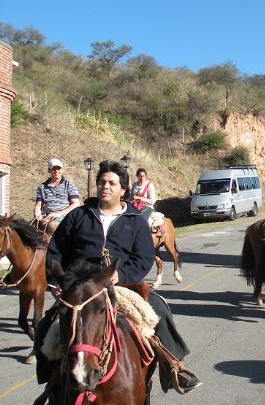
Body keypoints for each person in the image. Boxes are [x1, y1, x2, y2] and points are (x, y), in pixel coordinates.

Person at [36, 160, 201, 394]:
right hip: (80, 287)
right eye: (102, 182)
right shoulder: (78, 216)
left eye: (112, 183)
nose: (106, 186)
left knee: (159, 310)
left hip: (121, 285)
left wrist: (121, 275)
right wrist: (55, 283)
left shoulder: (135, 221)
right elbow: (56, 250)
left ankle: (174, 367)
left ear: (123, 189)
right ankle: (49, 381)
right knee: (47, 324)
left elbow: (143, 258)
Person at [33, 158, 80, 228]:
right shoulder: (42, 187)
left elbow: (76, 204)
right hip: (47, 217)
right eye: (53, 169)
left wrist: (59, 213)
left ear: (62, 170)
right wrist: (38, 214)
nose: (56, 171)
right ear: (49, 170)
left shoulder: (69, 185)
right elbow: (38, 205)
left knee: (52, 226)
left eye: (59, 168)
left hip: (64, 217)